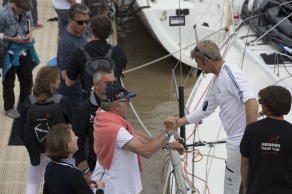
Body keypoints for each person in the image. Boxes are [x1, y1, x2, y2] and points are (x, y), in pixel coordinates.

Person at [171, 40, 259, 194]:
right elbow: (204, 110)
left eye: (198, 63)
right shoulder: (217, 78)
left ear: (207, 61)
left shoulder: (230, 74)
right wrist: (177, 123)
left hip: (240, 142)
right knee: (235, 187)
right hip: (235, 142)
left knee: (232, 188)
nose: (198, 66)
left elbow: (252, 103)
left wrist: (249, 139)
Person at [91, 84, 177, 194]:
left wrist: (165, 143)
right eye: (127, 102)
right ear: (116, 106)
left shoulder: (102, 116)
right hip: (115, 187)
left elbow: (132, 134)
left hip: (108, 181)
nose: (129, 106)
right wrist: (168, 132)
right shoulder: (115, 130)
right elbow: (146, 151)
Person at [19, 66, 73, 194]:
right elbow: (72, 125)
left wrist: (31, 147)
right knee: (59, 186)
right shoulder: (61, 101)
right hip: (59, 151)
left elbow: (21, 131)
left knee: (32, 184)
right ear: (52, 83)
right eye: (58, 79)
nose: (60, 81)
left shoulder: (29, 101)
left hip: (36, 152)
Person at [240, 85, 292, 194]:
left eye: (261, 102)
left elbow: (245, 163)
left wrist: (245, 187)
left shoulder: (251, 130)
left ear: (267, 107)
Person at [65, 15, 127, 98]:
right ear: (109, 32)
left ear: (91, 30)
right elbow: (120, 70)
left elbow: (68, 83)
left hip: (90, 101)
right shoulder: (118, 51)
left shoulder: (81, 52)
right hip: (113, 101)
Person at [73, 67, 117, 182]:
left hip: (113, 168)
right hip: (93, 170)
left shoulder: (116, 106)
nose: (112, 86)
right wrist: (86, 171)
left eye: (114, 82)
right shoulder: (83, 110)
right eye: (108, 83)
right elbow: (76, 143)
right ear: (95, 84)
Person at [0, 0, 40, 118]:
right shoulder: (3, 14)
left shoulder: (26, 10)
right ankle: (9, 108)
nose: (24, 13)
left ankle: (25, 104)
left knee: (27, 80)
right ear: (15, 5)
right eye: (22, 11)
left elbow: (31, 24)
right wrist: (12, 39)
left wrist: (30, 34)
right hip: (9, 52)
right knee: (8, 82)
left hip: (24, 51)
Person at [44, 123, 105, 194]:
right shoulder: (74, 174)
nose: (77, 137)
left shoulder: (50, 166)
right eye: (74, 136)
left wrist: (84, 186)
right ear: (66, 144)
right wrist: (100, 188)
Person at [56, 3, 89, 110]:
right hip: (71, 95)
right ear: (70, 21)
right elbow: (65, 77)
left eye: (87, 21)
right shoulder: (69, 45)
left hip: (78, 90)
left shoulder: (77, 30)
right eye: (80, 22)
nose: (84, 25)